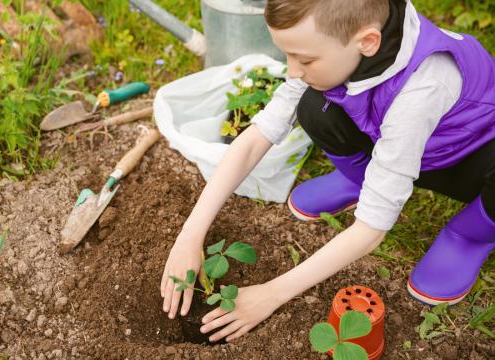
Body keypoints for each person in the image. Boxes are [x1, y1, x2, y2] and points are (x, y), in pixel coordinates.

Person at [160, 0, 495, 343]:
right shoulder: (340, 42)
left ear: (367, 42)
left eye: (304, 60)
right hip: (394, 141)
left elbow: (371, 229)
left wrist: (272, 293)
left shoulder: (424, 86)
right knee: (313, 104)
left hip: (464, 158)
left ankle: (469, 235)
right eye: (288, 55)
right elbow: (254, 140)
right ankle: (360, 180)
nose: (291, 70)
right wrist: (190, 235)